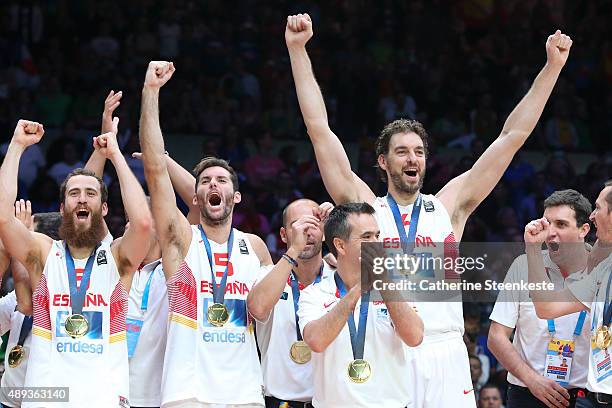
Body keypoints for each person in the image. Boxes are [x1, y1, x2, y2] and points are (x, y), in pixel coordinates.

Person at [285, 12, 573, 408]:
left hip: (446, 353)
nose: (412, 158)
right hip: (390, 349)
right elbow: (319, 131)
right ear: (383, 162)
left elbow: (511, 137)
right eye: (402, 151)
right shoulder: (368, 209)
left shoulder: (448, 207)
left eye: (419, 152)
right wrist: (298, 51)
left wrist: (551, 68)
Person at [140, 61, 290, 407]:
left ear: (236, 196)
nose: (213, 184)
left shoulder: (255, 247)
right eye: (205, 181)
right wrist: (151, 93)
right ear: (195, 197)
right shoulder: (182, 239)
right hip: (187, 393)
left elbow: (266, 310)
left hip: (244, 393)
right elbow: (154, 168)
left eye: (221, 180)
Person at [0, 119, 152, 407]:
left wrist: (116, 155)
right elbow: (4, 218)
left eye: (91, 194)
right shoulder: (44, 254)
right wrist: (17, 146)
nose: (82, 199)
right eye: (74, 194)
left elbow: (143, 223)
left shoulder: (118, 258)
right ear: (62, 208)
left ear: (104, 209)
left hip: (103, 400)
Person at [297, 203, 423, 407]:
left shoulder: (397, 286)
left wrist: (384, 282)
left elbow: (415, 337)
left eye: (377, 235)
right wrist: (360, 287)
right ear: (340, 245)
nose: (376, 244)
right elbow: (316, 341)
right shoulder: (314, 293)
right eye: (366, 237)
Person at [489, 190, 593, 408]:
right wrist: (532, 380)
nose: (550, 233)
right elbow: (497, 337)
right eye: (547, 224)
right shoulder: (523, 265)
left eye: (561, 225)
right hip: (527, 394)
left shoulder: (601, 271)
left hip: (586, 397)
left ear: (583, 230)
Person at [527, 181, 612, 407]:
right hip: (596, 397)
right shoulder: (603, 270)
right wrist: (533, 248)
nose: (592, 216)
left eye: (598, 208)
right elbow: (546, 307)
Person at [248, 199, 334, 407]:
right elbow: (257, 309)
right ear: (284, 235)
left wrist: (342, 221)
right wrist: (294, 250)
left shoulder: (340, 276)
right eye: (297, 225)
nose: (306, 231)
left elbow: (378, 255)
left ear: (324, 231)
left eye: (313, 224)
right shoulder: (267, 276)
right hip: (277, 402)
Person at [1, 209, 61, 408]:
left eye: (24, 239)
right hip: (7, 400)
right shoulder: (15, 296)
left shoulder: (66, 292)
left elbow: (28, 305)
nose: (16, 245)